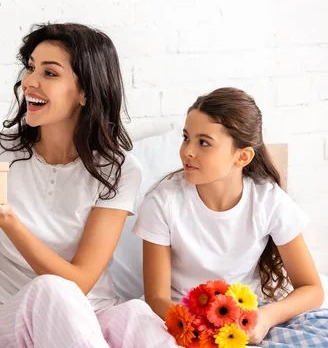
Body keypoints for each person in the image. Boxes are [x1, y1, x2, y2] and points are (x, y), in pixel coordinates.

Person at [0, 23, 179, 347]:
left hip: (93, 321)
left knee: (138, 316)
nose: (30, 82)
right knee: (51, 291)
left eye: (49, 73)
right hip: (3, 325)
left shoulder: (117, 170)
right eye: (30, 68)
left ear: (85, 92)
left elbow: (80, 282)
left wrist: (7, 220)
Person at [133, 87, 327, 346]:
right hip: (184, 319)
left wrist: (265, 317)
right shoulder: (162, 202)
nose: (187, 151)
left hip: (249, 317)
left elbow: (312, 289)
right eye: (186, 137)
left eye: (204, 142)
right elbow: (156, 298)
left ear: (242, 156)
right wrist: (200, 329)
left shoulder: (268, 200)